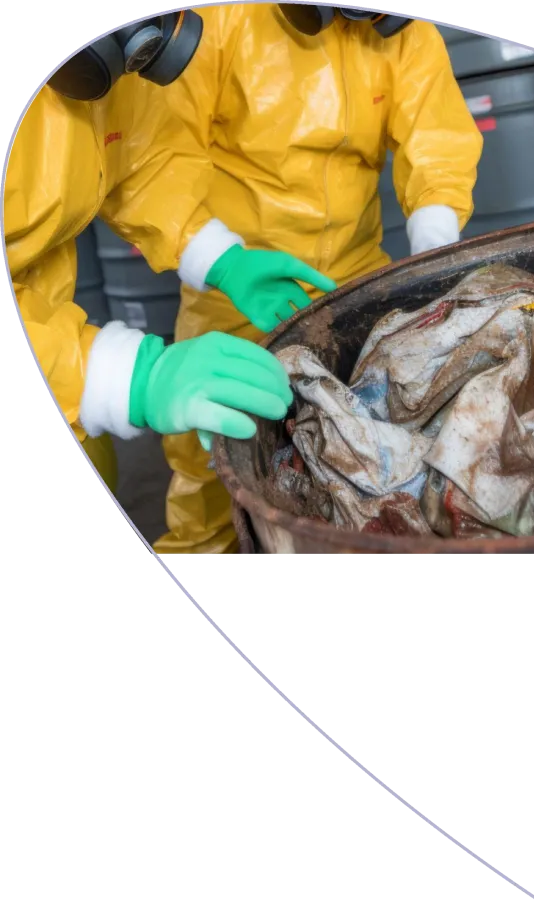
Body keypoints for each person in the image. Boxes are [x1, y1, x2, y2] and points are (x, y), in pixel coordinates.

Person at [153, 4, 484, 555]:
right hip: (240, 284)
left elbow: (437, 136)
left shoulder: (402, 34)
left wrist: (434, 243)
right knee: (213, 453)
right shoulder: (222, 20)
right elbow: (160, 155)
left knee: (368, 447)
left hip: (354, 277)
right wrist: (219, 260)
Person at [6, 13, 332, 499]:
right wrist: (124, 376)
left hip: (58, 352)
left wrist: (221, 257)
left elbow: (143, 160)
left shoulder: (118, 64)